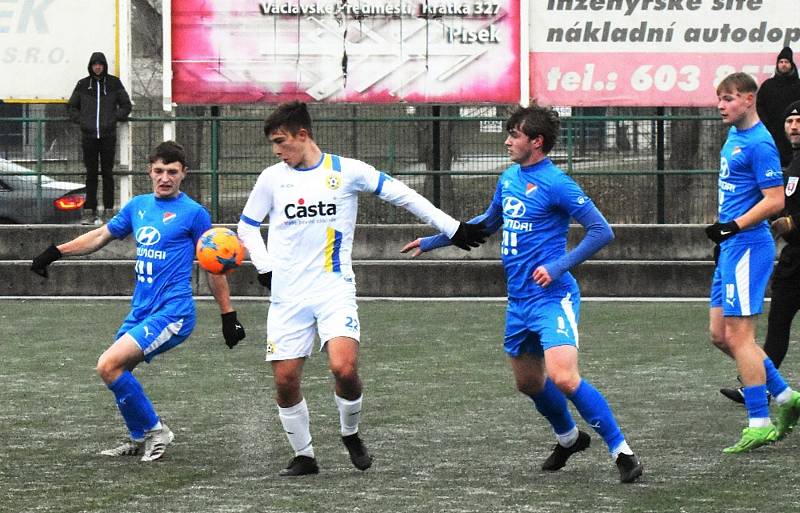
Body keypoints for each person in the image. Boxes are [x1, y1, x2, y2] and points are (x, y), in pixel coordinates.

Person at [236, 101, 487, 477]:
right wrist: (265, 264)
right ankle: (304, 456)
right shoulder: (272, 178)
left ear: (303, 135)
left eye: (280, 141)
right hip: (287, 295)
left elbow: (402, 194)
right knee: (286, 380)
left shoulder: (346, 171)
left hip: (333, 287)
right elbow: (246, 226)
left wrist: (451, 227)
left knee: (344, 367)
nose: (276, 150)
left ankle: (350, 432)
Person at [402, 104, 644, 483]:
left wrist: (558, 266)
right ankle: (568, 438)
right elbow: (488, 222)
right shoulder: (510, 177)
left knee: (564, 377)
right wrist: (436, 239)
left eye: (514, 135)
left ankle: (622, 451)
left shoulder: (558, 183)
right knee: (528, 383)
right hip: (518, 301)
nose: (507, 140)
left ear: (537, 141)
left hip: (553, 297)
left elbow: (601, 231)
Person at [29, 141, 246, 461]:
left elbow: (214, 266)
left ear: (184, 174)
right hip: (141, 310)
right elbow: (101, 236)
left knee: (108, 364)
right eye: (159, 171)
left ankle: (157, 432)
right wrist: (56, 252)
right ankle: (138, 436)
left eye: (172, 172)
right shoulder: (138, 206)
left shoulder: (195, 214)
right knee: (115, 372)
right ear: (150, 171)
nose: (165, 178)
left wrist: (228, 315)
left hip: (173, 312)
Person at [705, 73, 800, 453]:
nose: (721, 105)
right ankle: (787, 396)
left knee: (741, 335)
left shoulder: (761, 143)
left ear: (748, 99)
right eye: (719, 98)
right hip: (730, 247)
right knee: (720, 336)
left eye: (728, 98)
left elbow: (775, 200)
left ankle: (758, 421)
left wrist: (732, 226)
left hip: (746, 245)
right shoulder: (734, 137)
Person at [721, 100, 800, 404]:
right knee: (776, 327)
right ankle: (766, 387)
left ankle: (761, 410)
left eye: (798, 121)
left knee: (740, 332)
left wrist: (790, 222)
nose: (793, 126)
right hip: (793, 262)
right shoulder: (791, 161)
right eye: (789, 121)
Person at [67, 51, 132, 225]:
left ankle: (109, 211)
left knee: (108, 173)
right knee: (91, 174)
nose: (97, 67)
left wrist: (113, 118)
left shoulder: (113, 83)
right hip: (88, 136)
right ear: (91, 66)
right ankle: (90, 211)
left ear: (104, 66)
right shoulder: (82, 85)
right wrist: (83, 121)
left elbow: (126, 105)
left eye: (100, 64)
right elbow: (71, 107)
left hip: (108, 135)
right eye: (95, 64)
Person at [756, 47, 800, 168]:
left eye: (786, 62)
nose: (783, 65)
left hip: (795, 133)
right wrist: (768, 125)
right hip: (773, 134)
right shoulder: (768, 86)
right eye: (781, 62)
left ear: (791, 64)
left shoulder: (798, 85)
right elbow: (759, 106)